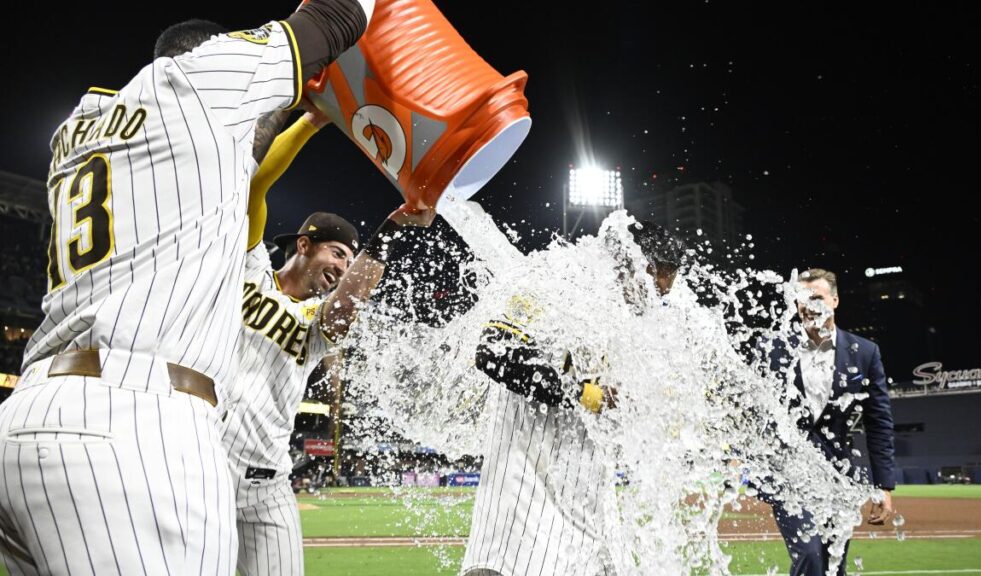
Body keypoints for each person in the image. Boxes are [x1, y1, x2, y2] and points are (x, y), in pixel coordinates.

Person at [0, 3, 374, 573]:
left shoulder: (81, 126)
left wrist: (306, 118)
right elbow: (334, 16)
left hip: (29, 412)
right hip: (132, 421)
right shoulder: (193, 82)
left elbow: (248, 164)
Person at [220, 108, 436, 575]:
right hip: (202, 467)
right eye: (337, 253)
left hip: (267, 483)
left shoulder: (320, 318)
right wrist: (313, 120)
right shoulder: (249, 267)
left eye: (349, 260)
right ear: (303, 245)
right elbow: (255, 186)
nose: (343, 268)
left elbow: (343, 312)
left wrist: (393, 227)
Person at [460, 221, 683, 576]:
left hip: (590, 505)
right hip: (525, 501)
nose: (657, 298)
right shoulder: (554, 283)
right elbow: (493, 352)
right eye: (655, 284)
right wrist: (588, 394)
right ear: (632, 263)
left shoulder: (620, 324)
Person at [765, 268, 895, 576]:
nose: (808, 305)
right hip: (791, 476)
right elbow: (762, 414)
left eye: (817, 297)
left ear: (834, 301)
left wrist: (884, 486)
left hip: (839, 477)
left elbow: (878, 421)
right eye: (801, 298)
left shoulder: (864, 352)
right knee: (810, 555)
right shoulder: (775, 349)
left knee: (833, 564)